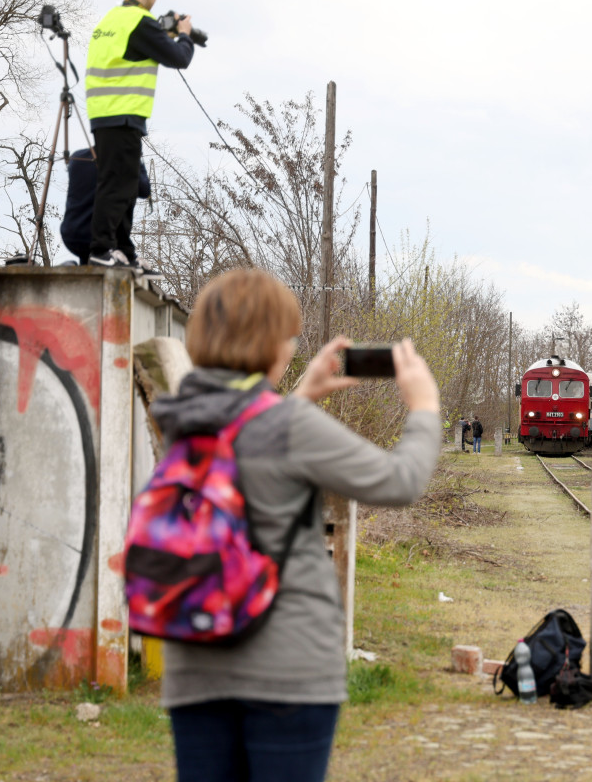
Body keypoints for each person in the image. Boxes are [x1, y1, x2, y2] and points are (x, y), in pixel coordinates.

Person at [150, 268, 441, 781]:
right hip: (287, 667)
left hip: (195, 664)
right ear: (270, 345)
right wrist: (424, 407)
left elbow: (247, 442)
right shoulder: (289, 426)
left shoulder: (179, 418)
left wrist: (299, 397)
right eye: (289, 337)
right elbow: (399, 481)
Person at [85, 0, 194, 278]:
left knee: (125, 182)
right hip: (123, 113)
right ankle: (101, 249)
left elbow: (135, 50)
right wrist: (184, 35)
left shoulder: (111, 20)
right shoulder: (140, 22)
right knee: (117, 184)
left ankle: (124, 250)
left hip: (104, 111)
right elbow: (179, 57)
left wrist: (164, 33)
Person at [59, 148, 151, 268]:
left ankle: (85, 266)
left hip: (72, 235)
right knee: (128, 189)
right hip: (102, 240)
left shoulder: (77, 157)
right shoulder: (122, 161)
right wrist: (136, 158)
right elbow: (144, 189)